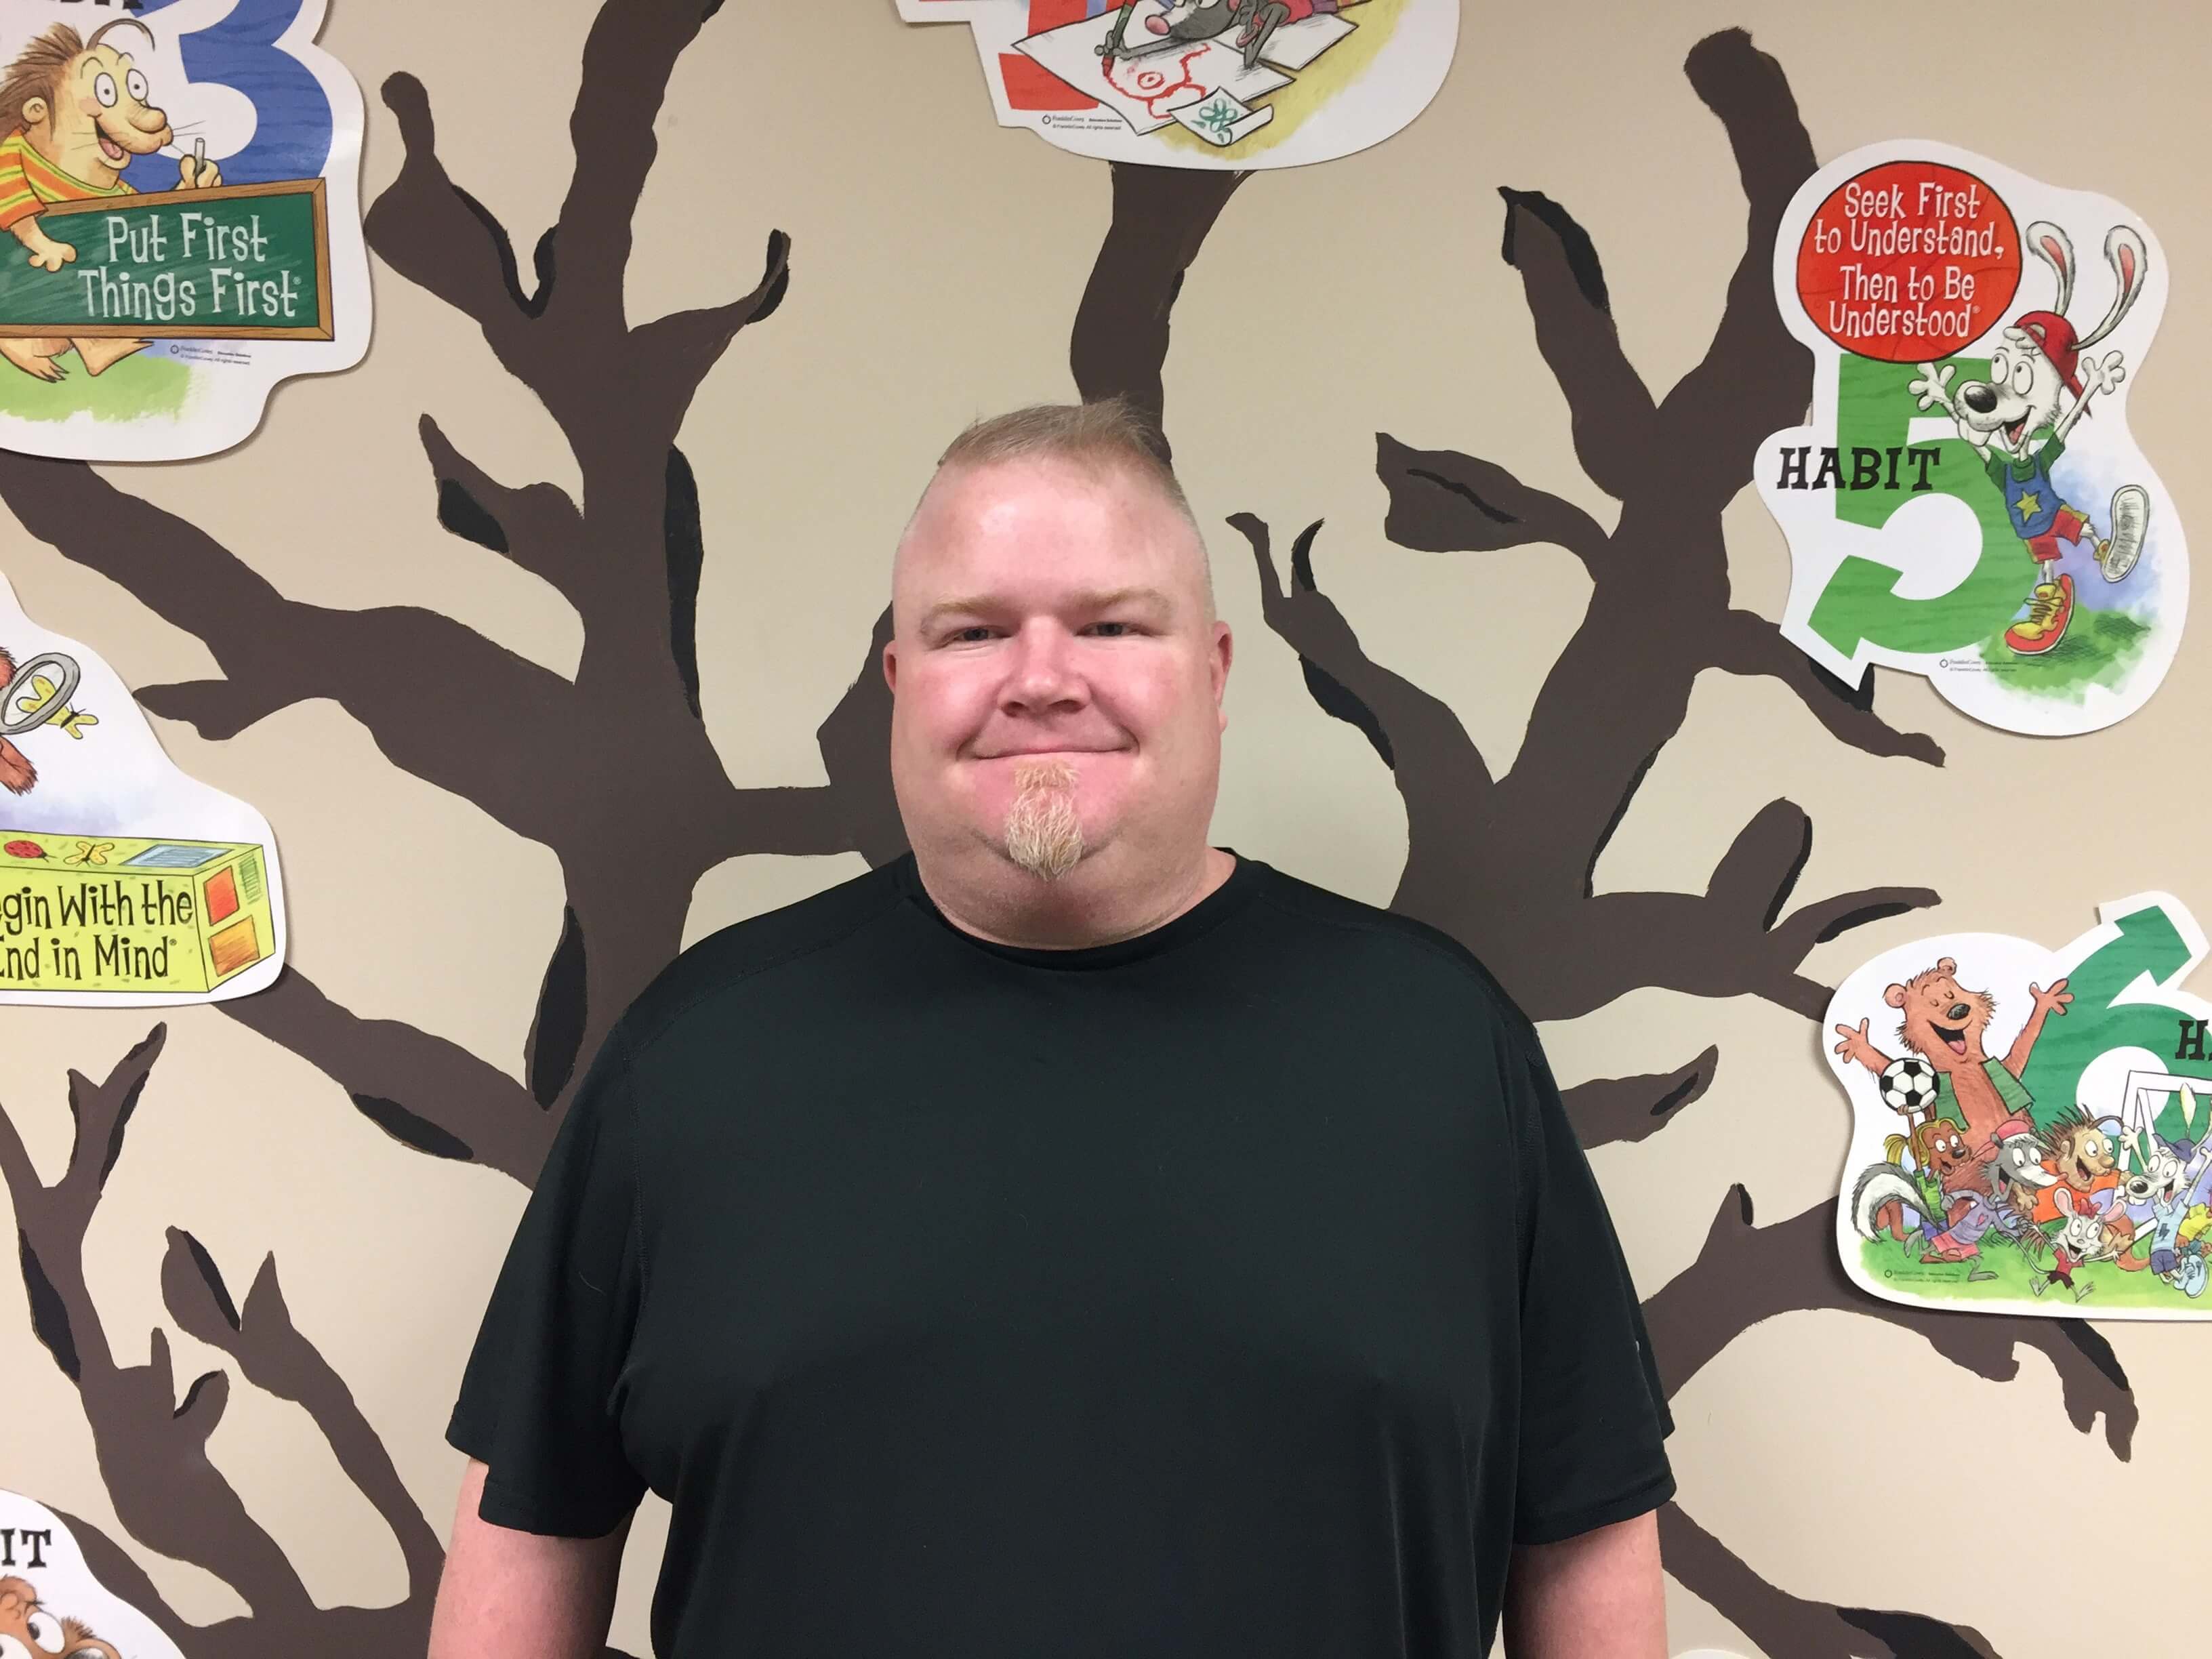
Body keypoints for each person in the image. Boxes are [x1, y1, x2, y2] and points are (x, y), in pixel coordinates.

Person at [430, 399, 1675, 1658]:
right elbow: (529, 1526)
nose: (1040, 679)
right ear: (901, 683)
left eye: (1111, 625)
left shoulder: (1444, 1050)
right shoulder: (694, 1055)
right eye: (973, 632)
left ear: (1216, 671)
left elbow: (1582, 1527)